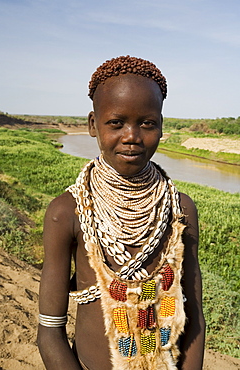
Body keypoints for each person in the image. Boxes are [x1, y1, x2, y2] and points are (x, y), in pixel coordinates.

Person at [38, 55, 205, 370]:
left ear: (161, 126)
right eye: (116, 123)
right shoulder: (67, 212)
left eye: (147, 123)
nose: (132, 136)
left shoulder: (180, 209)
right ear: (92, 125)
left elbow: (194, 319)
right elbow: (49, 332)